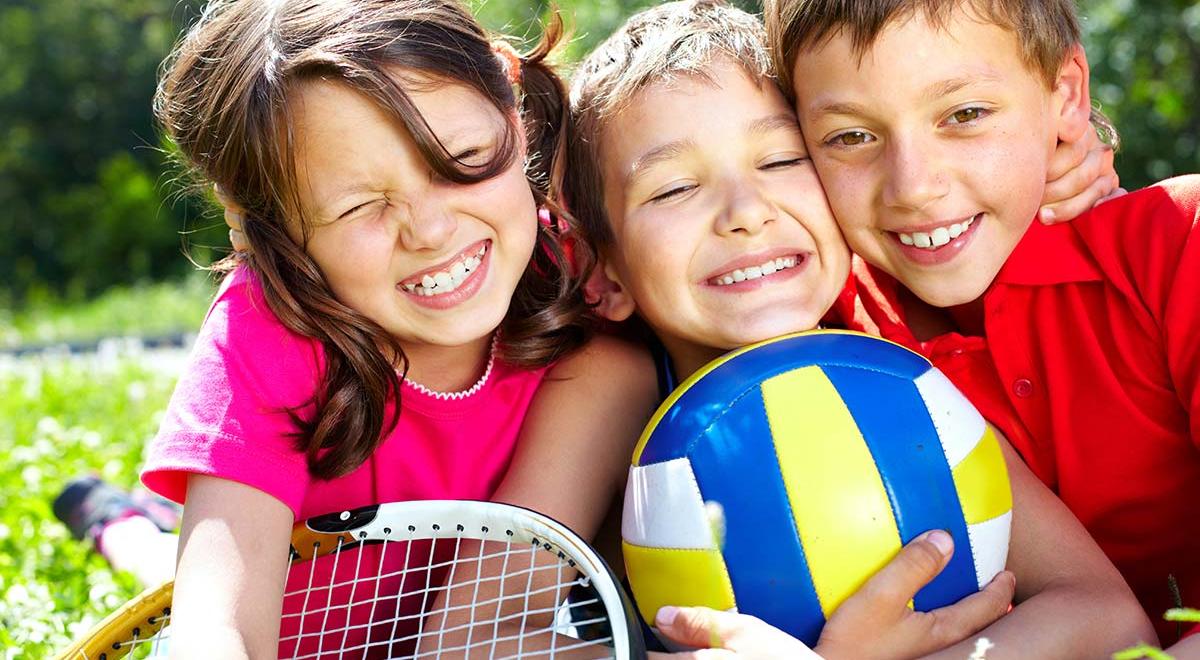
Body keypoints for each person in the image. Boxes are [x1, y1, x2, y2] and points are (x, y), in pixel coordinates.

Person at [558, 1, 1153, 657]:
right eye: (672, 190)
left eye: (782, 161)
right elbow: (475, 636)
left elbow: (1108, 617)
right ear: (600, 270)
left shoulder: (893, 377)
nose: (747, 214)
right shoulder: (608, 389)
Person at [142, 0, 659, 657]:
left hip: (464, 621)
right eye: (360, 206)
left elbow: (486, 638)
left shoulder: (591, 312)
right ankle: (128, 525)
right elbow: (219, 629)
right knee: (169, 566)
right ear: (257, 221)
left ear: (511, 100)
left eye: (464, 158)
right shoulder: (267, 330)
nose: (432, 232)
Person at [765, 0, 1200, 652]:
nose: (913, 186)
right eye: (851, 136)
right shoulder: (825, 337)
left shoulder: (1176, 247)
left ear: (1067, 96)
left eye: (965, 115)